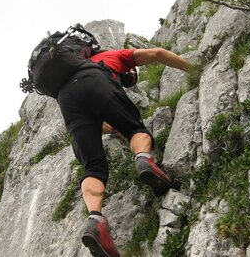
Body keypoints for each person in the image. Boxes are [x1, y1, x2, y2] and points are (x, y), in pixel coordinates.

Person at [56, 47, 193, 257]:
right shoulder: (116, 56)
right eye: (129, 80)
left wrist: (112, 127)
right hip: (96, 81)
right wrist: (192, 68)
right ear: (130, 72)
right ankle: (144, 160)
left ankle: (95, 219)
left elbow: (96, 122)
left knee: (92, 167)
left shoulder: (71, 69)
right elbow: (157, 53)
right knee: (136, 131)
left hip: (66, 98)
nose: (127, 82)